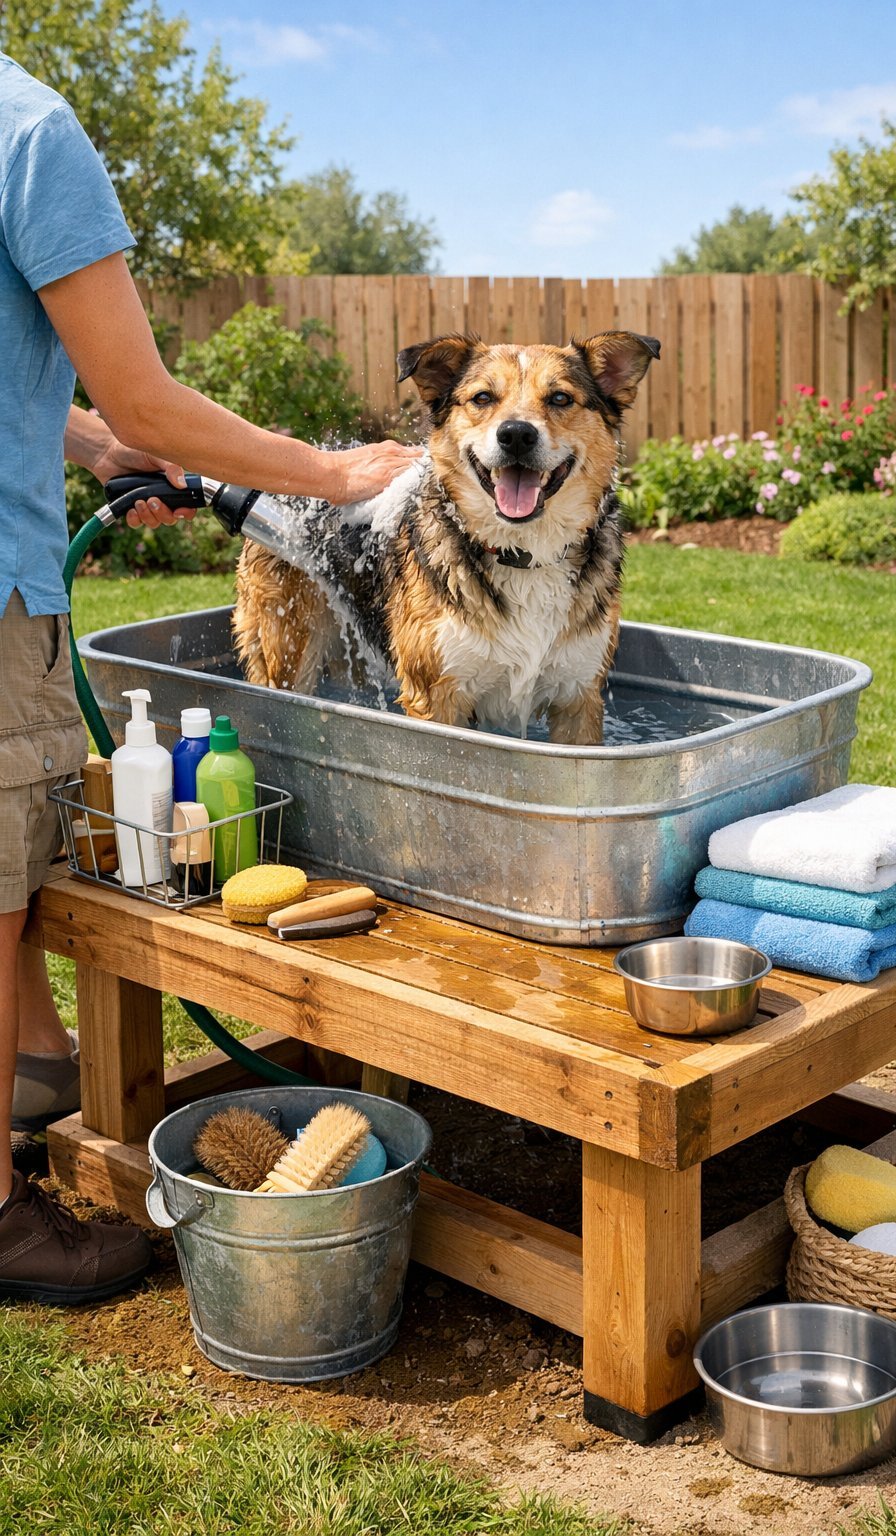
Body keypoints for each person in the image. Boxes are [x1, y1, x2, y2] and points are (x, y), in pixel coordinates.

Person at [0, 45, 419, 1301]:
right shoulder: (28, 131)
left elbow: (80, 402)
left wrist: (89, 444)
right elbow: (151, 398)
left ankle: (36, 1071)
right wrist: (335, 474)